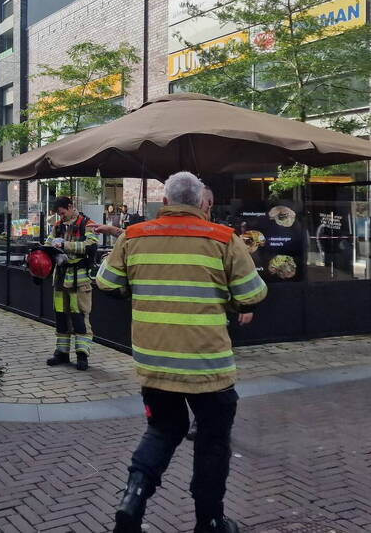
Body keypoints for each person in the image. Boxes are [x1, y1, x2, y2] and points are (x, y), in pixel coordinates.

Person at [97, 172, 267, 533]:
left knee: (162, 429)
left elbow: (107, 284)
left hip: (154, 360)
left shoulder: (135, 235)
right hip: (208, 366)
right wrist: (229, 299)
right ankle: (209, 521)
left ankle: (133, 499)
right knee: (212, 442)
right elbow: (252, 294)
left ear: (166, 200)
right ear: (201, 202)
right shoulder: (224, 239)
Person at [46, 196, 99, 371]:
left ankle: (82, 355)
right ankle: (61, 352)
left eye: (62, 213)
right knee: (61, 316)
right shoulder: (58, 226)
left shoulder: (86, 223)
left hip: (79, 281)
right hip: (60, 280)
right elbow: (48, 244)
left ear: (70, 207)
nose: (60, 217)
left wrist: (65, 245)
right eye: (58, 214)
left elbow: (91, 245)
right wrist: (46, 251)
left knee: (80, 318)